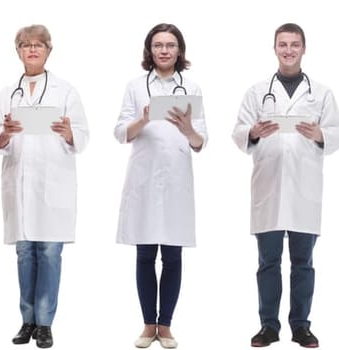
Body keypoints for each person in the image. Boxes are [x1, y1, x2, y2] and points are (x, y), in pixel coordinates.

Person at [235, 23, 339, 349]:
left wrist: (320, 134)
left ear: (303, 48)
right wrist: (254, 131)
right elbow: (239, 131)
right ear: (274, 48)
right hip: (268, 187)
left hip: (304, 189)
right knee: (268, 262)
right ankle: (268, 326)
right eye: (282, 44)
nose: (288, 50)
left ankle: (300, 326)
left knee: (303, 263)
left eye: (294, 44)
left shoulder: (321, 92)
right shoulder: (257, 92)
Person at [0, 24, 90, 350]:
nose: (31, 50)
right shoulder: (6, 93)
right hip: (19, 185)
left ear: (48, 50)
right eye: (25, 45)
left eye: (38, 45)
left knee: (50, 254)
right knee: (25, 254)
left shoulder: (65, 91)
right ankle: (27, 320)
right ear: (18, 51)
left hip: (53, 183)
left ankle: (45, 324)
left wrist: (69, 132)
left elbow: (82, 135)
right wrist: (5, 133)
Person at [113, 23, 205, 350]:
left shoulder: (191, 87)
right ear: (149, 50)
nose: (164, 50)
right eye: (158, 45)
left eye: (170, 45)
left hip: (178, 178)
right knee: (145, 252)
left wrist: (188, 127)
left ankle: (165, 326)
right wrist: (145, 119)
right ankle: (147, 324)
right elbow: (121, 131)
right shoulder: (136, 86)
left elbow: (199, 141)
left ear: (179, 50)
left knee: (173, 254)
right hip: (144, 177)